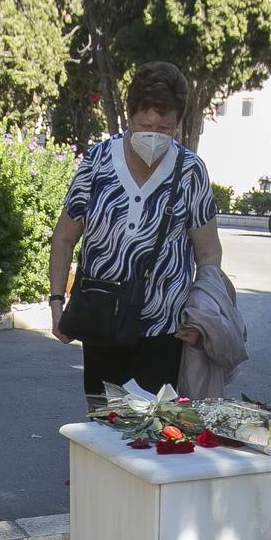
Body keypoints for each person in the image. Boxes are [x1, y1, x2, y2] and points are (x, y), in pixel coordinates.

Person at [47, 62, 224, 413]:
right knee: (104, 426)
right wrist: (55, 302)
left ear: (178, 123)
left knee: (154, 434)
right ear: (130, 117)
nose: (155, 134)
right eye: (146, 125)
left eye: (166, 127)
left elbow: (209, 255)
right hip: (102, 321)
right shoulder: (98, 162)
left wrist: (199, 316)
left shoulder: (190, 171)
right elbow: (64, 237)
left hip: (164, 330)